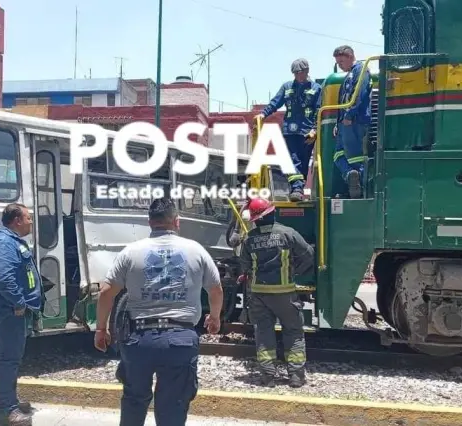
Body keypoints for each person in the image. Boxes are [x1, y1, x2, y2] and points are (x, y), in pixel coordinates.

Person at [93, 198, 224, 426]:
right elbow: (216, 289)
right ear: (177, 221)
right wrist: (214, 317)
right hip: (180, 339)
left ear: (149, 222)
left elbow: (106, 292)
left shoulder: (131, 252)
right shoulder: (196, 250)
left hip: (138, 339)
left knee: (134, 400)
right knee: (173, 404)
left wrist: (101, 329)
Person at [238, 197, 315, 388]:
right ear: (273, 213)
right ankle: (296, 377)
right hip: (285, 293)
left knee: (264, 333)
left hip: (258, 294)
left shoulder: (249, 239)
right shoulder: (289, 234)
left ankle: (268, 377)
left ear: (255, 219)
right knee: (294, 332)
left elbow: (245, 266)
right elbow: (308, 256)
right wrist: (294, 271)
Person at [0, 203, 42, 426]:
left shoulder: (8, 240)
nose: (30, 222)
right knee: (9, 359)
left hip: (9, 310)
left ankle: (5, 402)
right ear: (17, 220)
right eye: (28, 218)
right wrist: (19, 303)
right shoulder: (5, 243)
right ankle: (8, 409)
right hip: (10, 311)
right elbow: (5, 279)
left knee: (4, 357)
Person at [254, 58, 323, 202]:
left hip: (307, 132)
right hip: (289, 131)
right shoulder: (287, 87)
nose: (297, 76)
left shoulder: (317, 88)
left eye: (300, 72)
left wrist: (315, 130)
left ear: (306, 71)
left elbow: (319, 111)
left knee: (303, 162)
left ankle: (298, 189)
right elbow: (275, 102)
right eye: (295, 73)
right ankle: (296, 188)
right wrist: (263, 114)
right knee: (292, 160)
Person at [332, 45, 373, 199]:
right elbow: (341, 100)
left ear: (350, 57)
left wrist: (349, 115)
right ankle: (350, 176)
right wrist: (338, 123)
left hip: (355, 121)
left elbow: (359, 94)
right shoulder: (348, 75)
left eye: (341, 61)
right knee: (338, 155)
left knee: (355, 158)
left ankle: (360, 189)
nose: (340, 65)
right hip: (344, 124)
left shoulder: (361, 71)